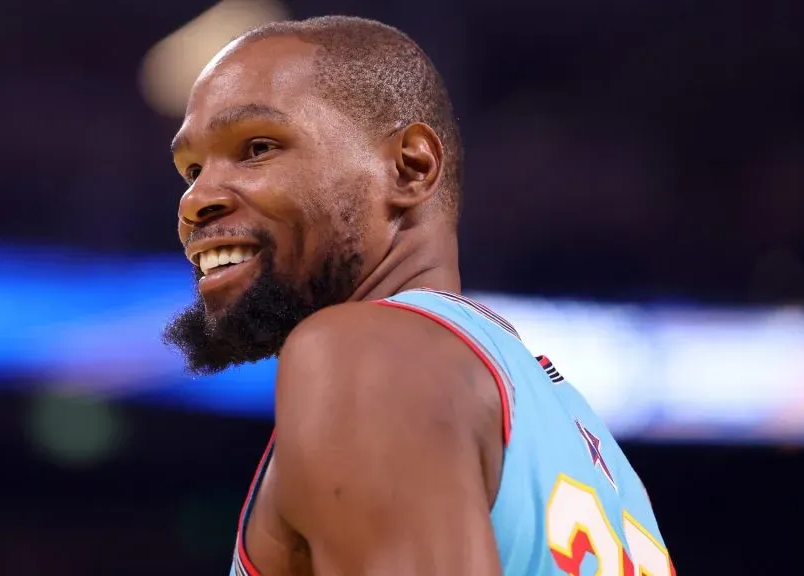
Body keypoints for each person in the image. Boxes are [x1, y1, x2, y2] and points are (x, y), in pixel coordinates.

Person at [163, 15, 675, 576]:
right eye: (192, 170)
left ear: (411, 168)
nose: (195, 200)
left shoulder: (362, 354)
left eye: (257, 148)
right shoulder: (596, 457)